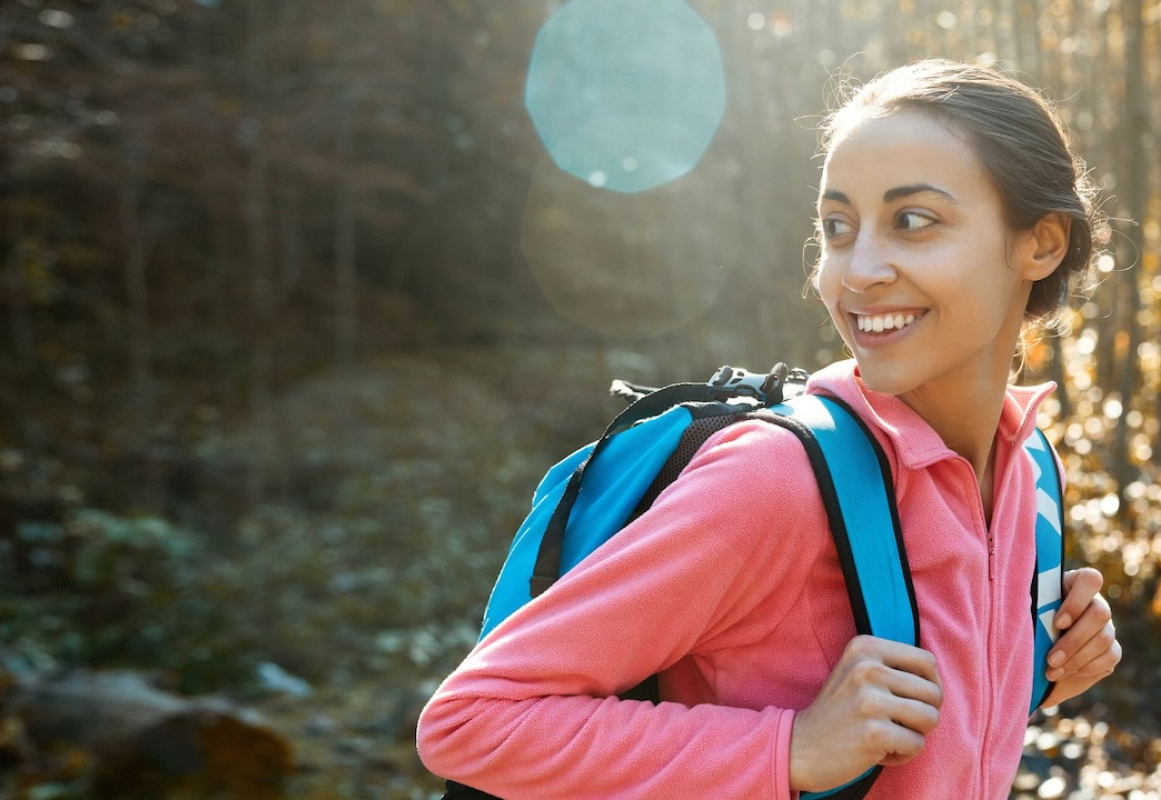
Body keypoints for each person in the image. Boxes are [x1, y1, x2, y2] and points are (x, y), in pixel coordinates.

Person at [417, 59, 1123, 799]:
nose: (858, 270)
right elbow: (471, 723)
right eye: (837, 227)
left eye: (913, 221)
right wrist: (789, 750)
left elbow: (932, 739)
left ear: (1041, 243)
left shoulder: (1031, 466)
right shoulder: (774, 482)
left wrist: (1044, 661)